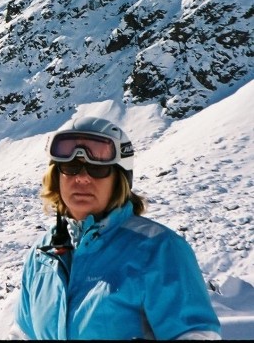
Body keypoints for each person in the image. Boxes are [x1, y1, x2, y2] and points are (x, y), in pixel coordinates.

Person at [13, 116, 221, 340]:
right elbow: (23, 334)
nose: (82, 178)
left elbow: (195, 335)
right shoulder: (41, 255)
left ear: (119, 178)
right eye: (71, 168)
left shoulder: (159, 250)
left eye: (97, 169)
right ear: (56, 176)